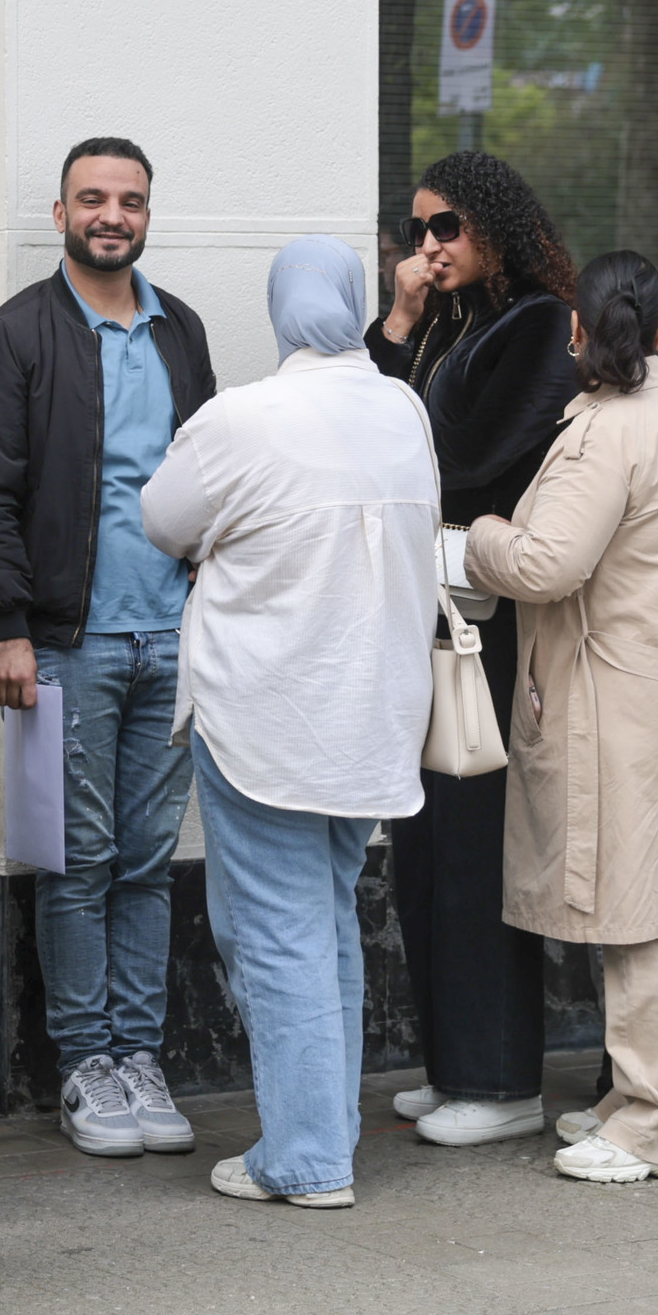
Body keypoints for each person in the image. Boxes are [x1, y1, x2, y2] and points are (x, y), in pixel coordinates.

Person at [465, 251, 658, 1186]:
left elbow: (544, 565)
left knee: (642, 916)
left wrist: (478, 536)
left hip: (624, 703)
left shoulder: (610, 431)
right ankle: (645, 1101)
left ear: (577, 332)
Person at [139, 237, 438, 1209]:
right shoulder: (402, 408)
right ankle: (327, 1129)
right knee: (326, 920)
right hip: (372, 717)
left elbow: (162, 520)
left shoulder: (243, 417)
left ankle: (306, 1156)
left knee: (275, 932)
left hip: (265, 716)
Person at [0, 136, 217, 1158]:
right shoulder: (21, 331)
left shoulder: (180, 328)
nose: (112, 215)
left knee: (148, 864)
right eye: (93, 198)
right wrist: (9, 628)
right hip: (68, 644)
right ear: (62, 213)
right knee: (76, 862)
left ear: (148, 213)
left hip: (174, 640)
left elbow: (210, 477)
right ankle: (84, 1062)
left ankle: (138, 1056)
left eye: (130, 200)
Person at [366, 150, 581, 1147]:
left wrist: (407, 455)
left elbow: (474, 455)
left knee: (473, 844)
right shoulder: (449, 323)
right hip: (435, 611)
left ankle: (499, 1078)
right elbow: (369, 430)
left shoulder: (538, 322)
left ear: (492, 224)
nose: (429, 245)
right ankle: (453, 1063)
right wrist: (400, 323)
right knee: (424, 846)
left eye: (446, 225)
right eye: (418, 230)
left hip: (489, 621)